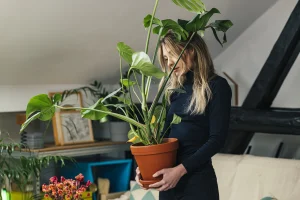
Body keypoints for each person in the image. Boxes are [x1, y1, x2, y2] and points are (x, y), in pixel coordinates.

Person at [135, 31, 232, 200]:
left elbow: (217, 140)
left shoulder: (217, 86)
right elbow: (163, 136)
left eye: (172, 54)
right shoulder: (173, 90)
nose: (169, 62)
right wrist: (145, 167)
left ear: (191, 50)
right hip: (168, 183)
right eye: (165, 58)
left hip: (198, 184)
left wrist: (179, 171)